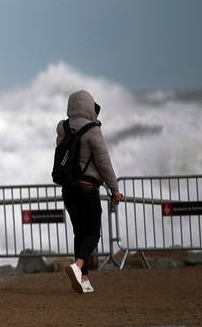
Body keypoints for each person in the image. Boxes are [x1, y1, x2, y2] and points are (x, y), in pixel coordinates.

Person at [57, 90, 122, 294]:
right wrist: (114, 189)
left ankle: (83, 278)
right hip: (87, 188)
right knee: (93, 232)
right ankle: (77, 266)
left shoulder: (64, 128)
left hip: (68, 189)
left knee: (80, 233)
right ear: (88, 106)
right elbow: (104, 162)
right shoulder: (93, 130)